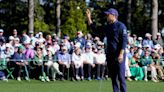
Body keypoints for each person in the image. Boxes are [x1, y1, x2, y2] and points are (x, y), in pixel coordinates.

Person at [86, 8, 128, 92]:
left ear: (113, 16)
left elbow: (124, 41)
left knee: (121, 77)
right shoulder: (107, 26)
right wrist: (89, 18)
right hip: (110, 55)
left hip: (119, 55)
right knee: (113, 78)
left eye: (108, 15)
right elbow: (95, 30)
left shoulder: (121, 26)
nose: (106, 16)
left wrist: (121, 54)